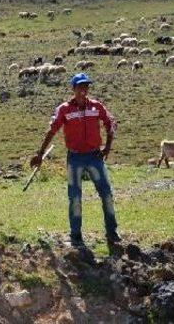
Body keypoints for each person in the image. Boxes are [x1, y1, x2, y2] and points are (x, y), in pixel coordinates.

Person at [30, 73, 121, 247]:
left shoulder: (96, 106)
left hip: (95, 156)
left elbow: (110, 124)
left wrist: (107, 147)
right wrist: (40, 154)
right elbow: (52, 130)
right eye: (80, 87)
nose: (83, 90)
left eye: (86, 86)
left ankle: (112, 231)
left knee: (107, 194)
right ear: (73, 89)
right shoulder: (64, 109)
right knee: (75, 198)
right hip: (75, 158)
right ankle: (76, 235)